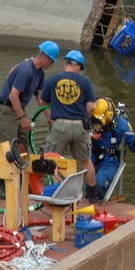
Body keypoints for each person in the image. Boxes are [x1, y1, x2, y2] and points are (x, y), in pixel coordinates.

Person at [0, 41, 58, 199]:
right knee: (7, 147)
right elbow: (13, 95)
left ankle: (21, 179)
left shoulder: (40, 73)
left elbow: (40, 99)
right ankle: (0, 183)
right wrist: (22, 118)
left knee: (23, 144)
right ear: (46, 58)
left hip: (19, 109)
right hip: (8, 110)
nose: (52, 64)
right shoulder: (26, 70)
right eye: (53, 61)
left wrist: (50, 118)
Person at [40, 50, 99, 201]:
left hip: (60, 126)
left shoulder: (53, 80)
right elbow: (91, 107)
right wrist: (85, 117)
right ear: (78, 66)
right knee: (86, 161)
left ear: (66, 63)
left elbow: (43, 102)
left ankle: (55, 192)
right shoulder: (85, 82)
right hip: (80, 127)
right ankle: (92, 194)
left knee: (50, 159)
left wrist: (54, 113)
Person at [90, 98, 135, 200]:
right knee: (89, 185)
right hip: (93, 158)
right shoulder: (90, 121)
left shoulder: (121, 125)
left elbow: (133, 145)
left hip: (110, 162)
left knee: (99, 183)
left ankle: (104, 201)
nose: (97, 127)